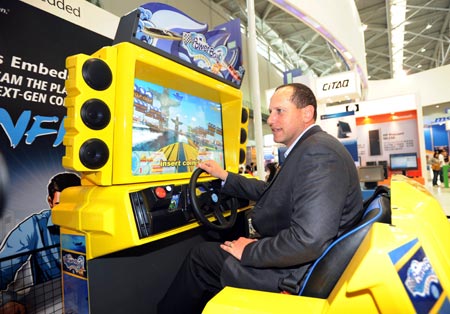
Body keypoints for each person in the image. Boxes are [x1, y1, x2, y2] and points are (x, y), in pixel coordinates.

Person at [158, 83, 363, 314]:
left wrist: (249, 251)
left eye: (280, 111)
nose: (271, 120)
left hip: (294, 277)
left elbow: (309, 239)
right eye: (271, 112)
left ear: (307, 113)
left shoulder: (319, 154)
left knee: (201, 257)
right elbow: (272, 192)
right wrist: (225, 177)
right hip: (304, 264)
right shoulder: (311, 148)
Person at [0, 172, 81, 312]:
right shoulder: (34, 226)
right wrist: (6, 302)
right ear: (50, 202)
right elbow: (2, 269)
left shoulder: (98, 223)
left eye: (73, 205)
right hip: (50, 304)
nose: (67, 213)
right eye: (59, 205)